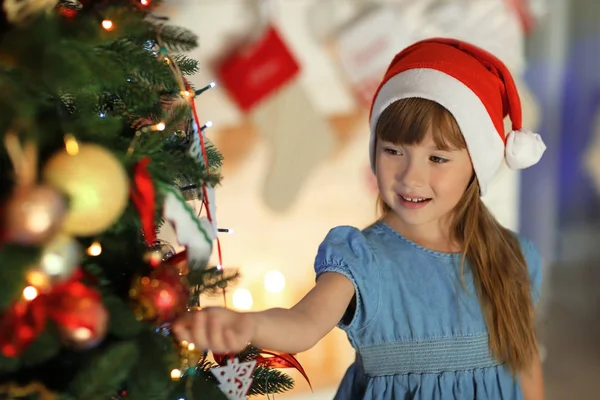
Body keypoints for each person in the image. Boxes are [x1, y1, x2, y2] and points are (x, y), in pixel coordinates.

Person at [173, 38, 548, 399]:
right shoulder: (361, 258)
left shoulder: (513, 256)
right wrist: (249, 324)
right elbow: (303, 323)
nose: (410, 176)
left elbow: (525, 363)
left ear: (477, 165)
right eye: (393, 151)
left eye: (437, 158)